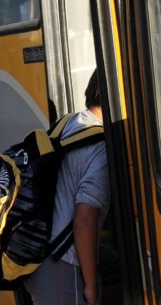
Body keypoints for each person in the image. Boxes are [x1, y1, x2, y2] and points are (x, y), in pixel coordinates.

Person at [25, 70, 109, 305]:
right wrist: (91, 287)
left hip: (41, 255)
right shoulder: (101, 147)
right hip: (62, 264)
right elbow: (84, 220)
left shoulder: (69, 123)